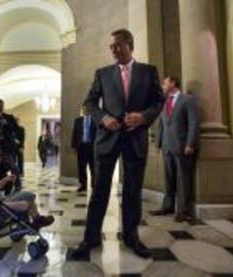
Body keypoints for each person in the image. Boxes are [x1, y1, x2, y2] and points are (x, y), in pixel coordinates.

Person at [70, 29, 164, 259]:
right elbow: (89, 102)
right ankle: (90, 238)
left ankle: (131, 237)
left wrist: (143, 117)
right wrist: (103, 117)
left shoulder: (148, 72)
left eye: (117, 45)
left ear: (129, 45)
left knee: (132, 192)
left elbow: (158, 101)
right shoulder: (103, 73)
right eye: (111, 46)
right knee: (99, 191)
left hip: (135, 139)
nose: (113, 50)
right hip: (107, 140)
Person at [153, 76, 200, 222]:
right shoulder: (164, 102)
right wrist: (158, 144)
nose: (163, 85)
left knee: (182, 180)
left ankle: (183, 211)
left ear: (173, 83)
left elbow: (193, 123)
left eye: (165, 83)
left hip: (182, 147)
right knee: (169, 179)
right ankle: (168, 206)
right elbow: (161, 124)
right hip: (167, 147)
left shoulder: (187, 100)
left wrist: (190, 144)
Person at [0, 155, 54, 229]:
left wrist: (5, 179)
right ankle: (35, 221)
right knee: (29, 200)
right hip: (0, 205)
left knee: (30, 196)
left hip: (2, 200)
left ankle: (34, 221)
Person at [71, 106, 96, 192]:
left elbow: (99, 135)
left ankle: (94, 185)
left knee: (93, 168)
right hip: (81, 147)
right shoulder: (77, 121)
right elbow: (74, 134)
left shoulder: (95, 120)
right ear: (82, 111)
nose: (85, 111)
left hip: (92, 148)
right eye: (84, 109)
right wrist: (74, 146)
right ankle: (83, 185)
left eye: (87, 109)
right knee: (81, 168)